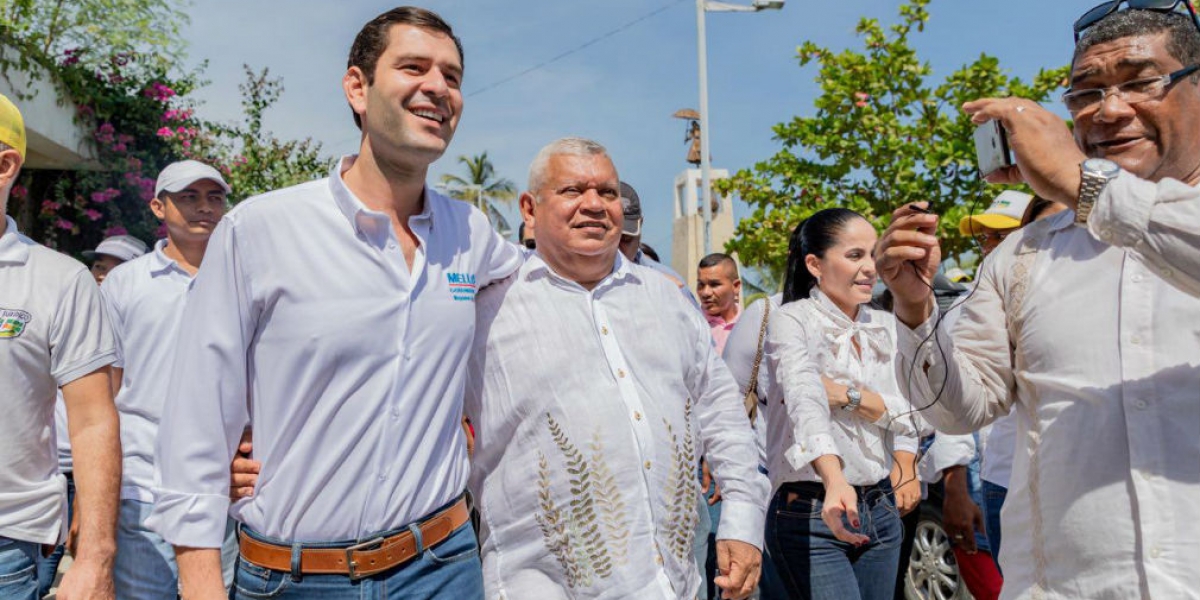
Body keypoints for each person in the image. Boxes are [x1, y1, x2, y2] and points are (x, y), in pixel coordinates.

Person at [146, 8, 521, 600]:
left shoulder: (472, 235)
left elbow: (556, 291)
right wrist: (199, 582)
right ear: (357, 87)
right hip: (293, 579)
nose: (437, 88)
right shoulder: (260, 229)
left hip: (442, 569)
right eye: (413, 67)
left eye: (451, 76)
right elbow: (197, 416)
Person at [878, 4, 1200, 598]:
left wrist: (1087, 185)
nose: (1109, 109)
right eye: (1085, 92)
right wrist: (914, 307)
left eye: (1138, 82)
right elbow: (958, 411)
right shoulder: (1021, 258)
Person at [464, 137, 769, 599]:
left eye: (606, 192)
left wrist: (743, 521)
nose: (594, 204)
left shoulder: (666, 297)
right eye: (572, 191)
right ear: (529, 208)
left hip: (677, 584)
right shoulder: (487, 310)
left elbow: (721, 413)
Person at [763, 209, 924, 600]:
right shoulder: (791, 320)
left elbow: (915, 412)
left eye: (874, 255)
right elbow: (805, 399)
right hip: (813, 509)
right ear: (815, 264)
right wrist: (834, 479)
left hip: (881, 507)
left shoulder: (886, 325)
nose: (870, 268)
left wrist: (850, 398)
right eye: (855, 256)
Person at [0, 92, 122, 599]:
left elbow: (93, 420)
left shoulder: (58, 280)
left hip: (7, 545)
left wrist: (94, 557)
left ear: (4, 165)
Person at [102, 160, 236, 598]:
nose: (205, 208)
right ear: (159, 207)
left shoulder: (245, 279)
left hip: (224, 490)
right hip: (143, 486)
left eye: (214, 197)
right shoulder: (125, 284)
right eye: (189, 197)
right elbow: (106, 393)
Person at [37, 234, 148, 597]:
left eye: (116, 269)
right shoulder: (61, 305)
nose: (103, 275)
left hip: (101, 470)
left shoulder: (134, 324)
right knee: (42, 578)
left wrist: (89, 503)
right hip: (50, 470)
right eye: (100, 266)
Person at [697, 253, 743, 354]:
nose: (705, 293)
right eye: (701, 285)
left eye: (714, 284)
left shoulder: (751, 327)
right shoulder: (691, 326)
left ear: (736, 286)